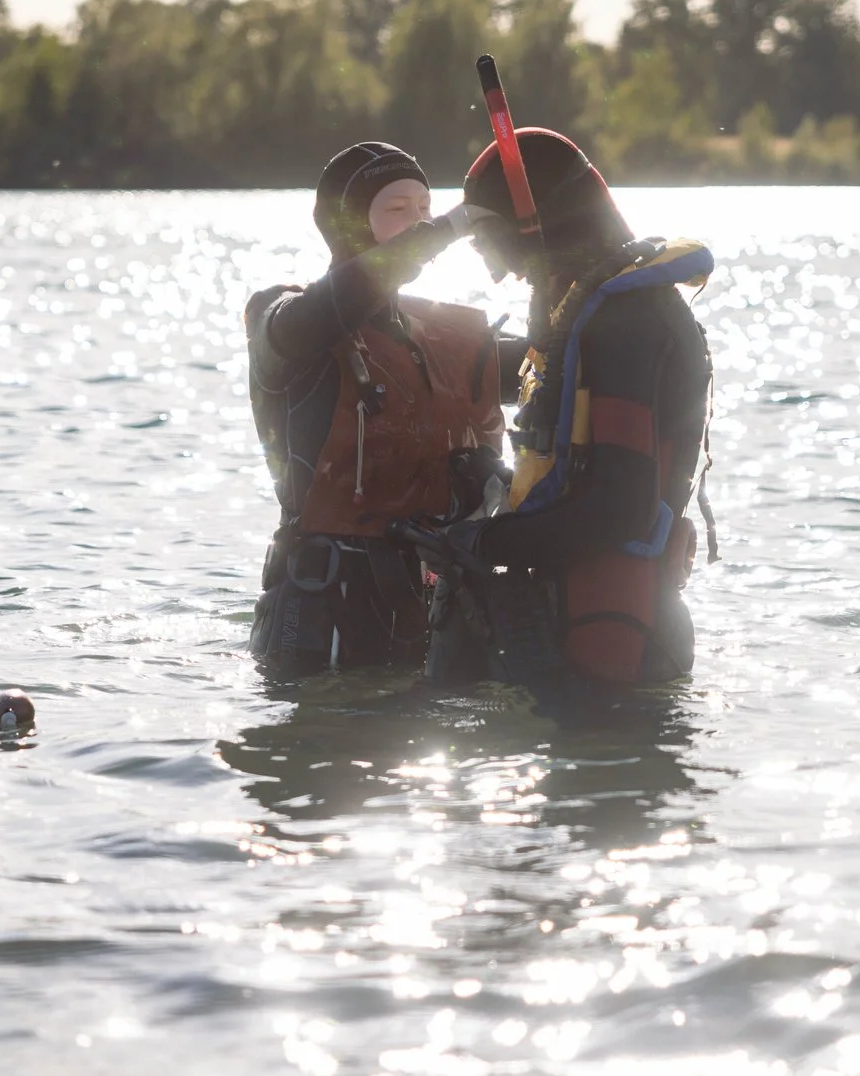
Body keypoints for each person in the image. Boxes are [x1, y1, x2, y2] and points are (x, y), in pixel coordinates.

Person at [409, 128, 714, 691]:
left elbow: (618, 508)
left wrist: (483, 543)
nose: (502, 272)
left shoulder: (627, 324)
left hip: (614, 642)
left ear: (535, 224)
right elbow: (567, 454)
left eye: (490, 238)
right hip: (600, 629)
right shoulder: (603, 316)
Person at [244, 142, 511, 674]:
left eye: (424, 210)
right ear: (349, 225)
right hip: (322, 605)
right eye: (396, 210)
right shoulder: (286, 318)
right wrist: (445, 231)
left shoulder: (437, 332)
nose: (417, 224)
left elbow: (553, 362)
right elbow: (325, 311)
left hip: (426, 597)